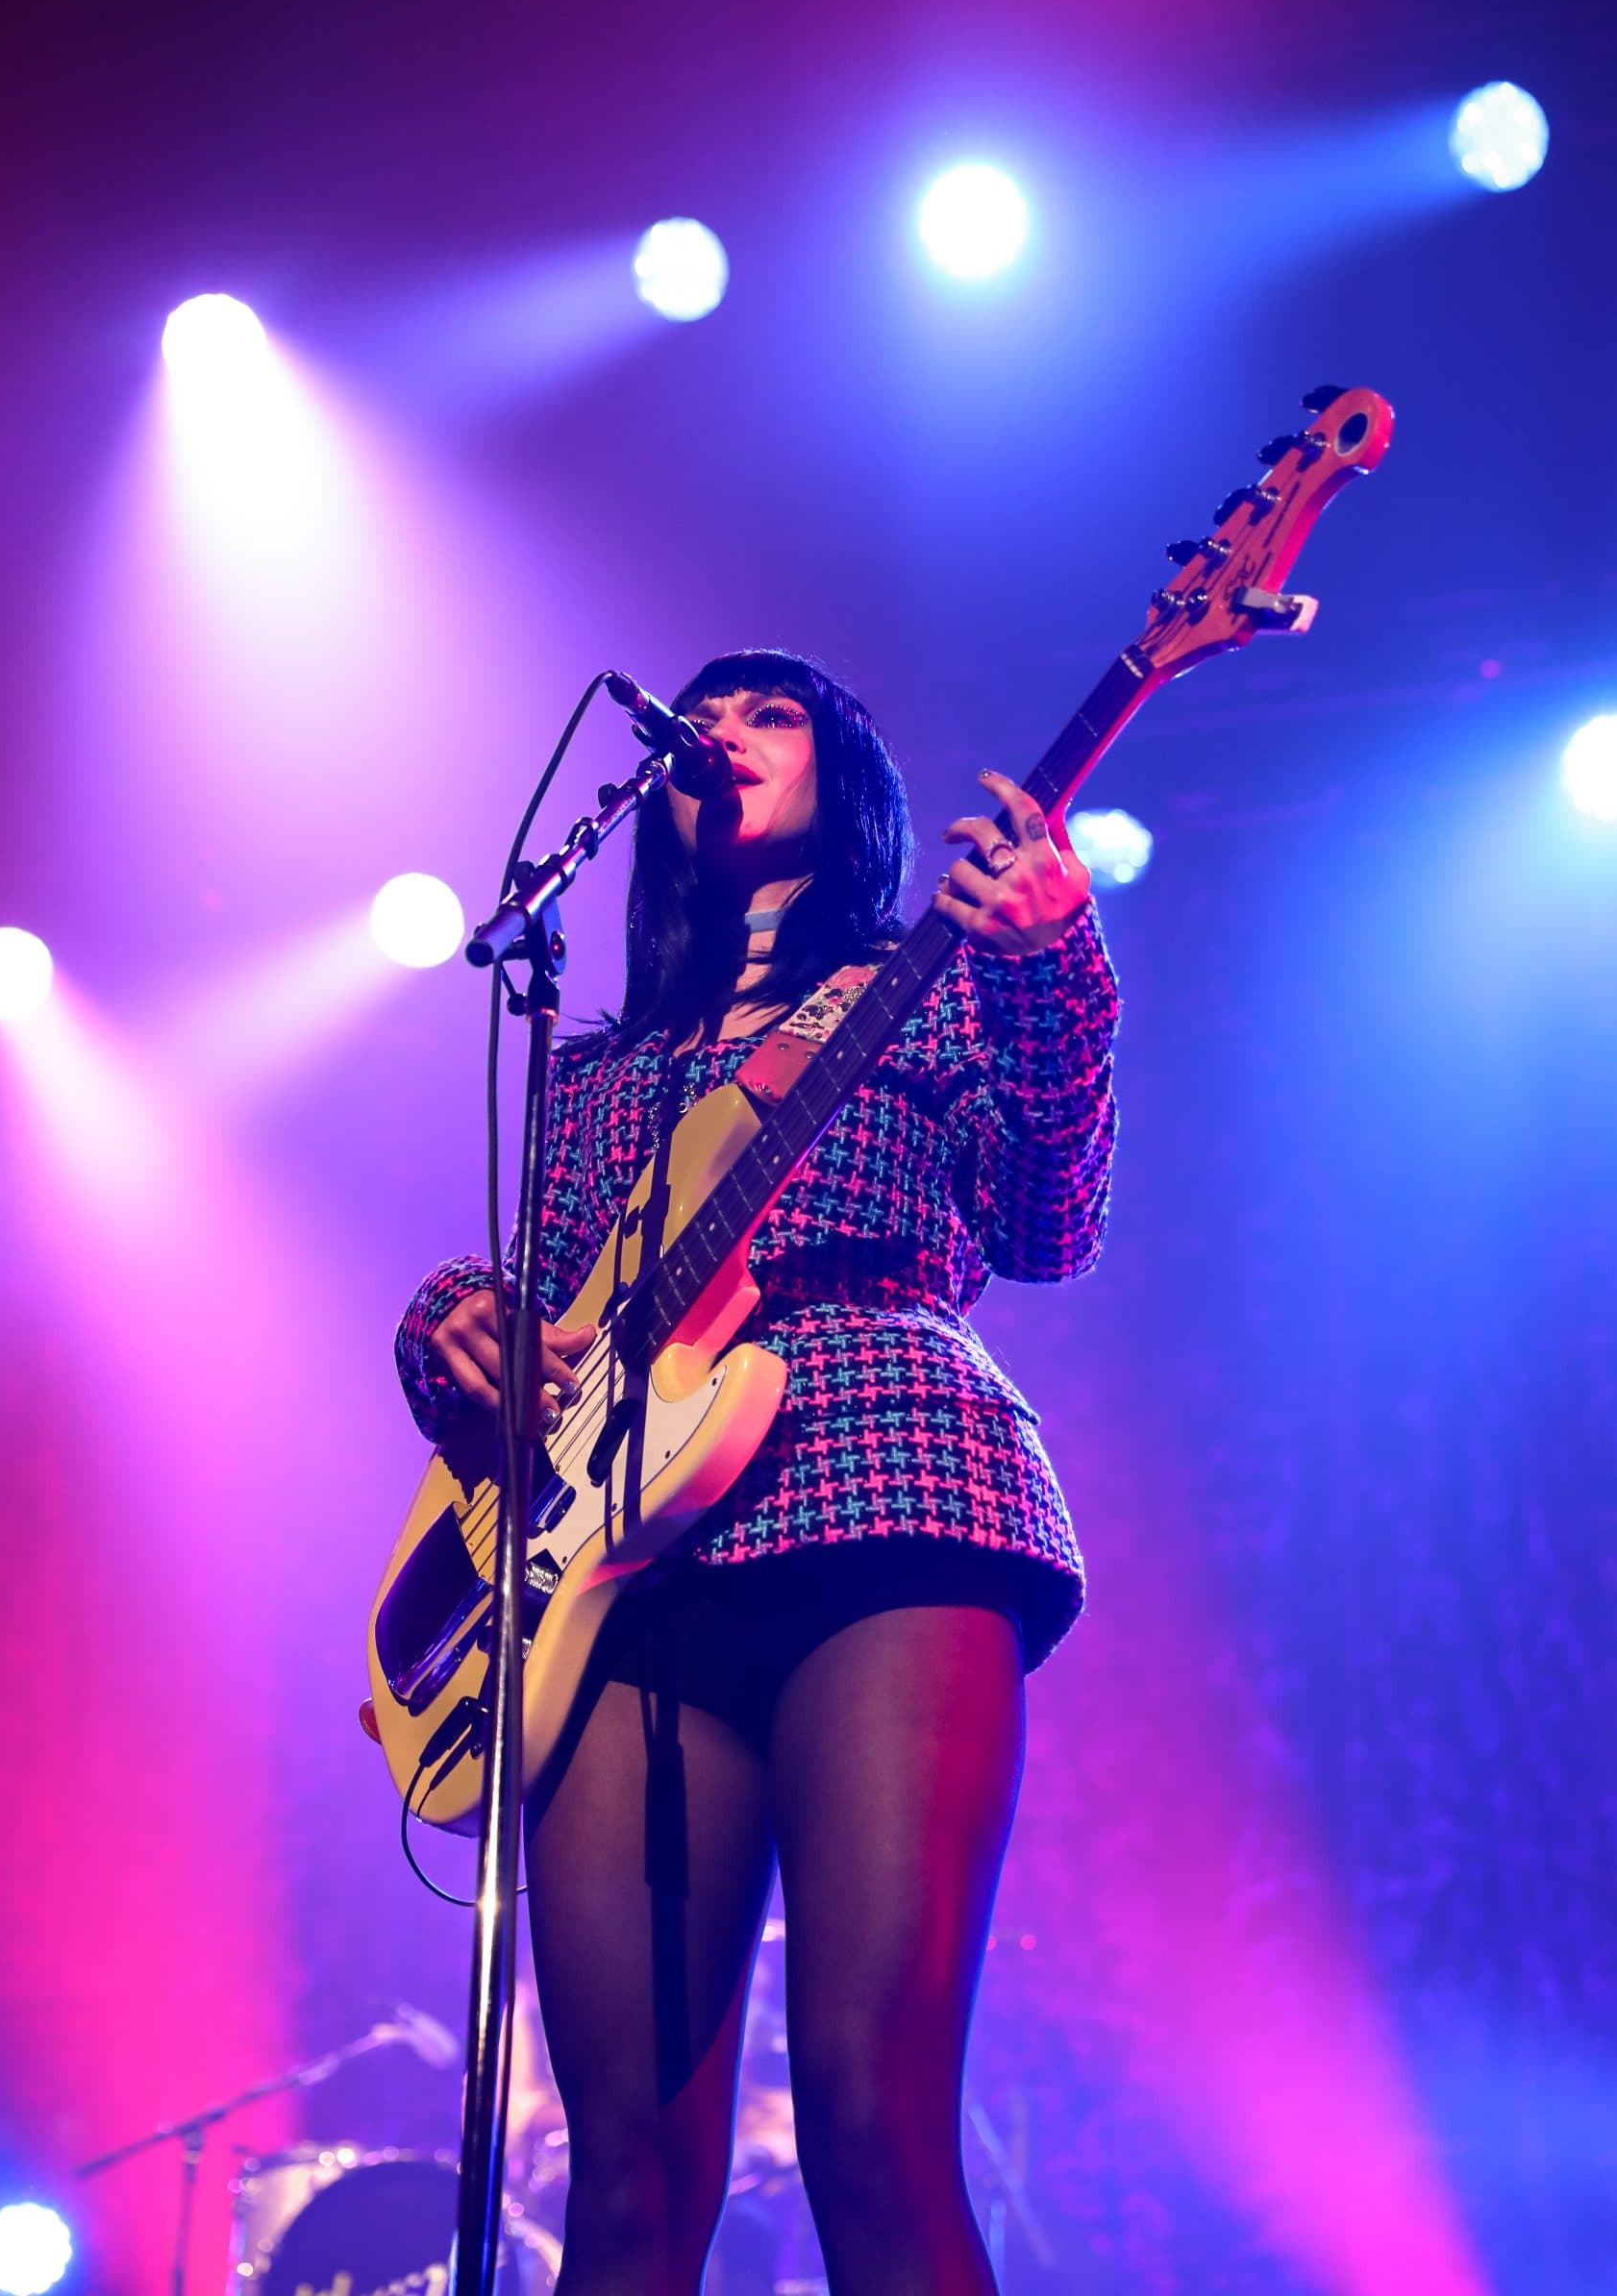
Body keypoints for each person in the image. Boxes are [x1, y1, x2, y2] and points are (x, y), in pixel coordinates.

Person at [394, 651, 1119, 2296]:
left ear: (842, 776)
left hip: (881, 1483)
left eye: (769, 712)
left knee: (872, 2121)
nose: (719, 733)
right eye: (705, 715)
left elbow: (1048, 1224)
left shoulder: (922, 982)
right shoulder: (587, 1074)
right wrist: (450, 1323)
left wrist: (1055, 965)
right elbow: (540, 1336)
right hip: (624, 1573)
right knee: (625, 2190)